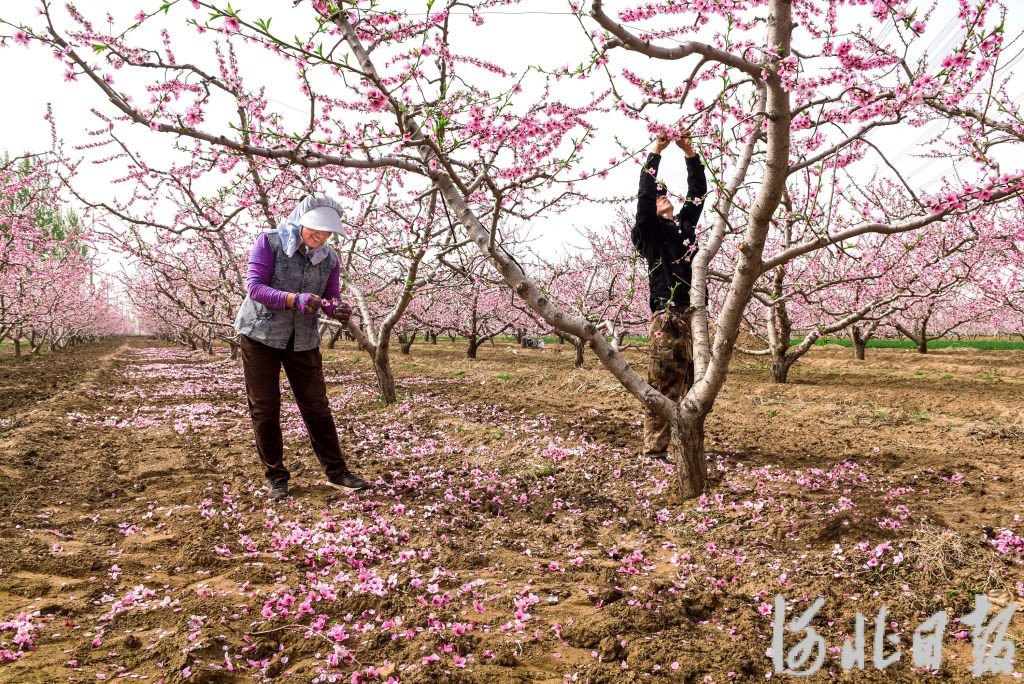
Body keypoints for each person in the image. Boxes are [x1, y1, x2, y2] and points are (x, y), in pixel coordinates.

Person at [234, 195, 369, 501]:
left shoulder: (330, 258)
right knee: (266, 408)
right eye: (315, 230)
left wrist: (336, 308)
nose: (319, 237)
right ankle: (276, 477)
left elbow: (331, 295)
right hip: (260, 335)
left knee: (317, 406)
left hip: (303, 338)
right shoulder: (270, 243)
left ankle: (337, 472)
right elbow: (255, 287)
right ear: (301, 220)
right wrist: (294, 299)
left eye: (326, 233)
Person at [632, 130, 708, 461]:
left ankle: (686, 448)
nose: (662, 197)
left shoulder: (683, 228)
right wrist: (656, 151)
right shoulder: (648, 232)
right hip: (667, 314)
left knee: (693, 385)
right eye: (658, 195)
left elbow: (698, 193)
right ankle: (655, 450)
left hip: (693, 313)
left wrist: (689, 152)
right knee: (663, 384)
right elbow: (645, 195)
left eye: (666, 194)